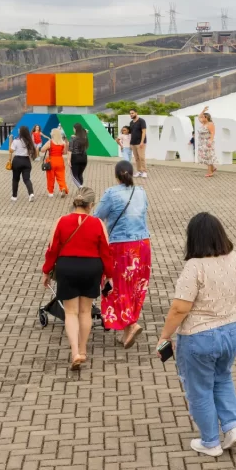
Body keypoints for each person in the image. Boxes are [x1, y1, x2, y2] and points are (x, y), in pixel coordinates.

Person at [157, 213, 236, 457]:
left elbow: (180, 307)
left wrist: (165, 335)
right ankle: (232, 427)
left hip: (199, 335)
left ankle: (210, 442)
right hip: (231, 330)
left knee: (199, 389)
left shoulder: (195, 266)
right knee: (222, 378)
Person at [41, 186, 113, 370]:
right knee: (85, 311)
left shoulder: (61, 221)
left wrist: (46, 272)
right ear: (91, 205)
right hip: (91, 268)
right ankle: (83, 350)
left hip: (67, 267)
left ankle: (74, 352)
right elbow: (106, 251)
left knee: (71, 312)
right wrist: (109, 275)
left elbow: (52, 249)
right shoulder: (98, 224)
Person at [94, 160, 151, 348]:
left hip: (121, 246)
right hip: (142, 245)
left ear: (116, 176)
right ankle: (128, 328)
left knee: (116, 287)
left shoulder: (111, 193)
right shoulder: (141, 192)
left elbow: (97, 217)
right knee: (135, 287)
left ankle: (131, 324)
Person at [10, 126, 37, 202]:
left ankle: (14, 196)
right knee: (27, 179)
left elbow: (11, 150)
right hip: (26, 161)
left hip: (17, 160)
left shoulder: (16, 140)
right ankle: (31, 193)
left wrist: (10, 144)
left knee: (15, 179)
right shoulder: (29, 141)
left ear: (20, 132)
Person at [40, 127, 69, 198]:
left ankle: (51, 192)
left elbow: (42, 150)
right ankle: (63, 188)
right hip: (60, 160)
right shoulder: (63, 143)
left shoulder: (50, 142)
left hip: (51, 160)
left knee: (50, 177)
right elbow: (64, 153)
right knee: (61, 177)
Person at [196, 107, 218, 178]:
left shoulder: (210, 124)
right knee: (205, 156)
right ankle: (213, 168)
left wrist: (210, 141)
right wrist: (203, 110)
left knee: (208, 157)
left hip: (207, 142)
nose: (202, 118)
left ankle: (210, 172)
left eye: (203, 117)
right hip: (202, 142)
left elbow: (212, 133)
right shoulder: (203, 123)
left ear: (207, 118)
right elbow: (198, 117)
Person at [128, 109, 148, 178]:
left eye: (132, 113)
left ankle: (144, 171)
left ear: (136, 113)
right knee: (136, 158)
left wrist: (142, 142)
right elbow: (131, 134)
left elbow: (144, 132)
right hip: (133, 143)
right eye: (130, 113)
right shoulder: (131, 123)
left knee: (141, 157)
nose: (131, 114)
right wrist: (130, 143)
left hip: (140, 143)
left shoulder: (141, 121)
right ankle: (139, 171)